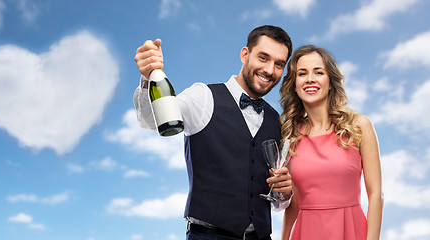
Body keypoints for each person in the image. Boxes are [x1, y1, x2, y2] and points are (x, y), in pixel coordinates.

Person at [134, 25, 294, 240]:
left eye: (279, 64)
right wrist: (147, 77)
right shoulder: (203, 96)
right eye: (263, 58)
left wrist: (283, 194)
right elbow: (150, 120)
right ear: (245, 55)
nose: (269, 70)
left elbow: (275, 199)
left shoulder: (276, 120)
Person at [279, 45, 384, 240]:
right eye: (302, 73)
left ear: (330, 81)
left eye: (318, 72)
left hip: (351, 231)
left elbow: (376, 193)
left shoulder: (359, 126)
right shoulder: (290, 136)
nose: (310, 78)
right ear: (294, 84)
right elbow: (294, 204)